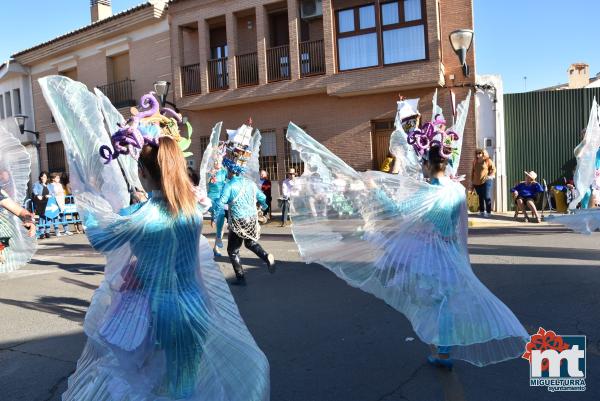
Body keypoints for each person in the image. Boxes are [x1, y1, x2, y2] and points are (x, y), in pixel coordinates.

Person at [40, 77, 269, 400]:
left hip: (157, 316)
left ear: (144, 174)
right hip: (196, 306)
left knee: (152, 389)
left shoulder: (141, 216)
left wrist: (89, 192)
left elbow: (100, 237)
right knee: (185, 384)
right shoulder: (190, 209)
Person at [285, 121, 528, 370]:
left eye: (421, 164)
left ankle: (441, 349)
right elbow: (457, 224)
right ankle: (443, 350)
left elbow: (396, 213)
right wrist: (456, 250)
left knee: (431, 301)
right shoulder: (456, 190)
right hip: (448, 250)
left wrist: (374, 191)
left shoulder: (428, 192)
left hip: (426, 253)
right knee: (445, 300)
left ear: (427, 164)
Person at [215, 121, 275, 284]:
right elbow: (262, 198)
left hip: (238, 221)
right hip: (251, 219)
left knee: (232, 250)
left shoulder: (229, 185)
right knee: (250, 243)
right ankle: (265, 256)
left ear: (230, 170)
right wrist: (263, 207)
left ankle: (241, 278)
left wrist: (216, 213)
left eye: (227, 169)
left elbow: (221, 203)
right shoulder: (250, 183)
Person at [206, 146, 228, 256]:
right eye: (216, 160)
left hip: (221, 199)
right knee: (218, 212)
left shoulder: (224, 172)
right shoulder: (210, 172)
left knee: (222, 220)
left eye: (219, 160)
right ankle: (213, 217)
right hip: (211, 198)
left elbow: (228, 182)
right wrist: (210, 176)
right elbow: (206, 184)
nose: (217, 162)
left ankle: (216, 246)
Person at [470, 149, 496, 217]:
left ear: (483, 153)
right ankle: (482, 211)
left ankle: (488, 212)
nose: (478, 154)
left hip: (486, 181)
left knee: (486, 196)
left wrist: (490, 176)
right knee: (480, 197)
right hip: (476, 182)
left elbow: (493, 169)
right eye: (476, 153)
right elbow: (473, 172)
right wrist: (472, 182)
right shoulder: (475, 161)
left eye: (479, 153)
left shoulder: (487, 160)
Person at [49, 172, 73, 236]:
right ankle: (57, 231)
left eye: (59, 177)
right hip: (55, 202)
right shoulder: (51, 185)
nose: (58, 178)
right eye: (57, 177)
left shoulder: (60, 184)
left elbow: (62, 192)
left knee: (63, 216)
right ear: (53, 179)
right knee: (55, 217)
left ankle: (66, 230)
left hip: (61, 202)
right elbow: (52, 193)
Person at [32, 171, 52, 239]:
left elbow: (53, 192)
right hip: (40, 202)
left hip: (48, 202)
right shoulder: (37, 184)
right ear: (40, 177)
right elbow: (34, 190)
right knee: (42, 217)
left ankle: (47, 232)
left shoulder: (49, 184)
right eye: (43, 177)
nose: (44, 178)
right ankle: (41, 232)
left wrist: (50, 195)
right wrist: (37, 195)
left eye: (45, 177)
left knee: (49, 216)